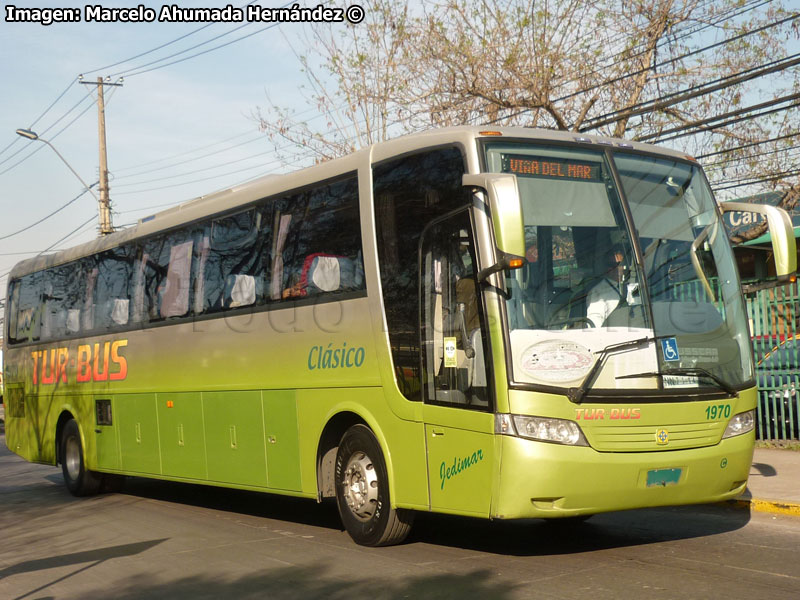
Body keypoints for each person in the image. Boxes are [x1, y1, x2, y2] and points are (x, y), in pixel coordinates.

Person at [586, 244, 638, 328]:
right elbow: (594, 325)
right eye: (622, 265)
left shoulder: (631, 285)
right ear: (610, 269)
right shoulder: (598, 292)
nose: (626, 268)